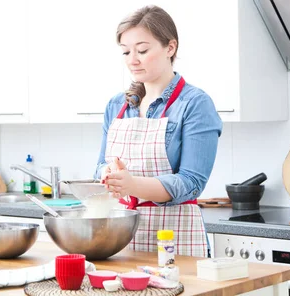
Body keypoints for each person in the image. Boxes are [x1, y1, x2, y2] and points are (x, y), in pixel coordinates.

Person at [95, 5, 222, 258]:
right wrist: (108, 175)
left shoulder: (195, 104)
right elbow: (99, 165)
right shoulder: (116, 105)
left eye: (142, 50)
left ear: (170, 48)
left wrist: (132, 185)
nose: (133, 59)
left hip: (177, 237)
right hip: (122, 237)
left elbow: (191, 183)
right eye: (126, 51)